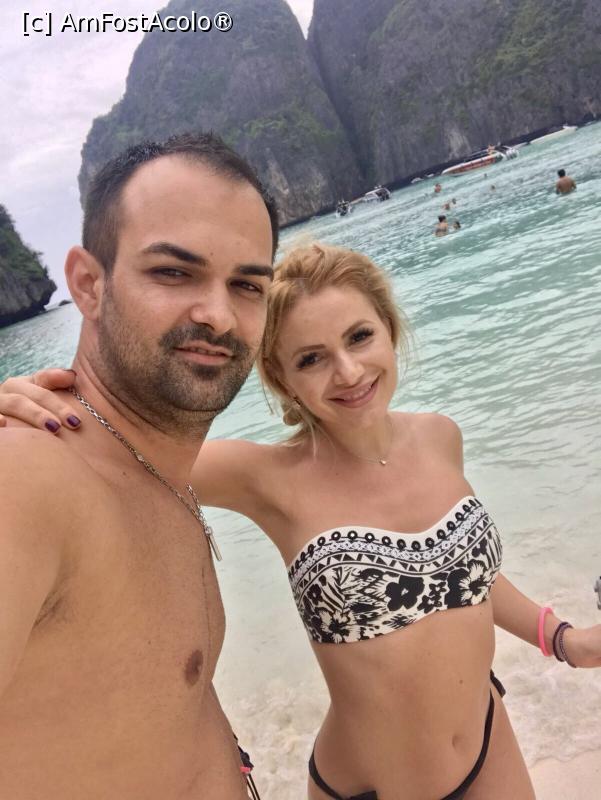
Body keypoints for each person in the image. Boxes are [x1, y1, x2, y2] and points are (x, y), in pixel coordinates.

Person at [3, 243, 601, 800]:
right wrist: (22, 407)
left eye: (359, 337)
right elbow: (107, 452)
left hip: (489, 742)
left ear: (389, 330)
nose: (348, 372)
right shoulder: (266, 478)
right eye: (311, 359)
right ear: (281, 378)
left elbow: (459, 577)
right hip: (371, 787)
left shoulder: (441, 436)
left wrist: (559, 637)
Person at [0, 132, 279, 800]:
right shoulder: (27, 481)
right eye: (173, 273)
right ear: (88, 285)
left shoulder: (156, 471)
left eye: (247, 284)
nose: (218, 315)